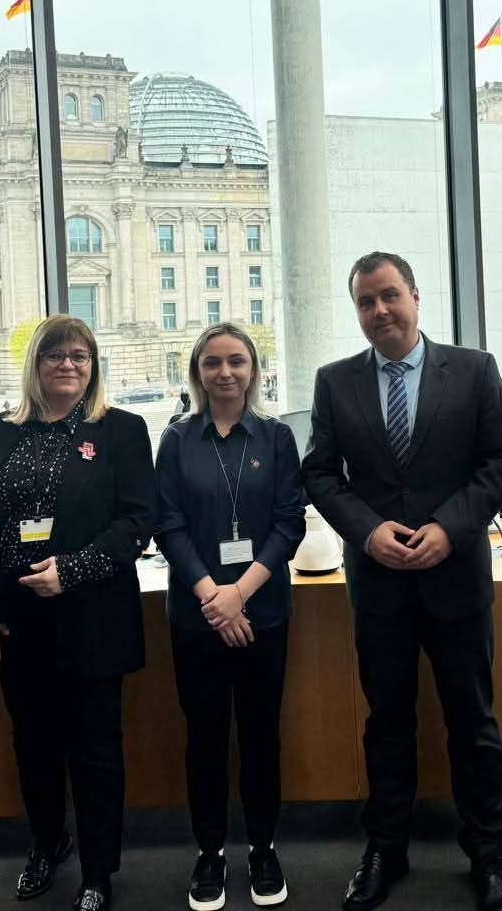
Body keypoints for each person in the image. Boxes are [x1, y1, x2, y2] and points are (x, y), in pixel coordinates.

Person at [301, 251, 502, 911]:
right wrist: (367, 531)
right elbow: (320, 474)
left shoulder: (474, 370)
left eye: (389, 295)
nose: (380, 311)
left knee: (473, 723)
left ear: (416, 297)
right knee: (387, 722)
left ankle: (489, 856)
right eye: (366, 302)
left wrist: (449, 528)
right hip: (379, 584)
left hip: (456, 579)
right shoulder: (335, 381)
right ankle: (385, 849)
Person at [0, 315, 155, 911]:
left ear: (93, 365)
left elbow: (137, 521)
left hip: (91, 614)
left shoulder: (121, 430)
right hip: (18, 621)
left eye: (80, 355)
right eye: (55, 354)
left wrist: (70, 570)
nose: (68, 364)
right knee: (33, 743)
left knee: (95, 749)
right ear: (36, 363)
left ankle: (99, 872)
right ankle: (47, 842)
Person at [155, 323, 306, 910]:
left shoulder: (276, 437)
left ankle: (263, 848)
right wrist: (212, 598)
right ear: (197, 372)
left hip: (262, 612)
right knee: (205, 738)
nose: (225, 372)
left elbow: (288, 524)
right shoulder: (176, 439)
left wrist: (238, 593)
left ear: (253, 369)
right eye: (212, 362)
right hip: (197, 618)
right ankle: (210, 852)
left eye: (236, 361)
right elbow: (168, 525)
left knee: (262, 734)